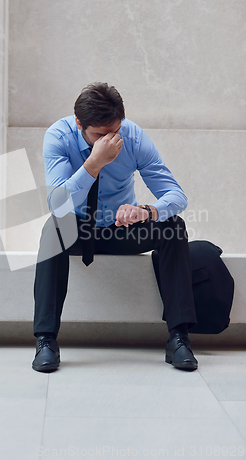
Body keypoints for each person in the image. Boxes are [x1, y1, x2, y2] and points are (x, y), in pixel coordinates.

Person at [32, 82, 198, 373]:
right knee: (54, 227)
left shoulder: (133, 136)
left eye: (115, 131)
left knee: (173, 225)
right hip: (79, 229)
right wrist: (93, 164)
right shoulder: (58, 136)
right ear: (79, 123)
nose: (110, 140)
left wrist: (145, 211)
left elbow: (176, 195)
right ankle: (46, 340)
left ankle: (179, 338)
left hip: (121, 229)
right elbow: (58, 203)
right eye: (99, 135)